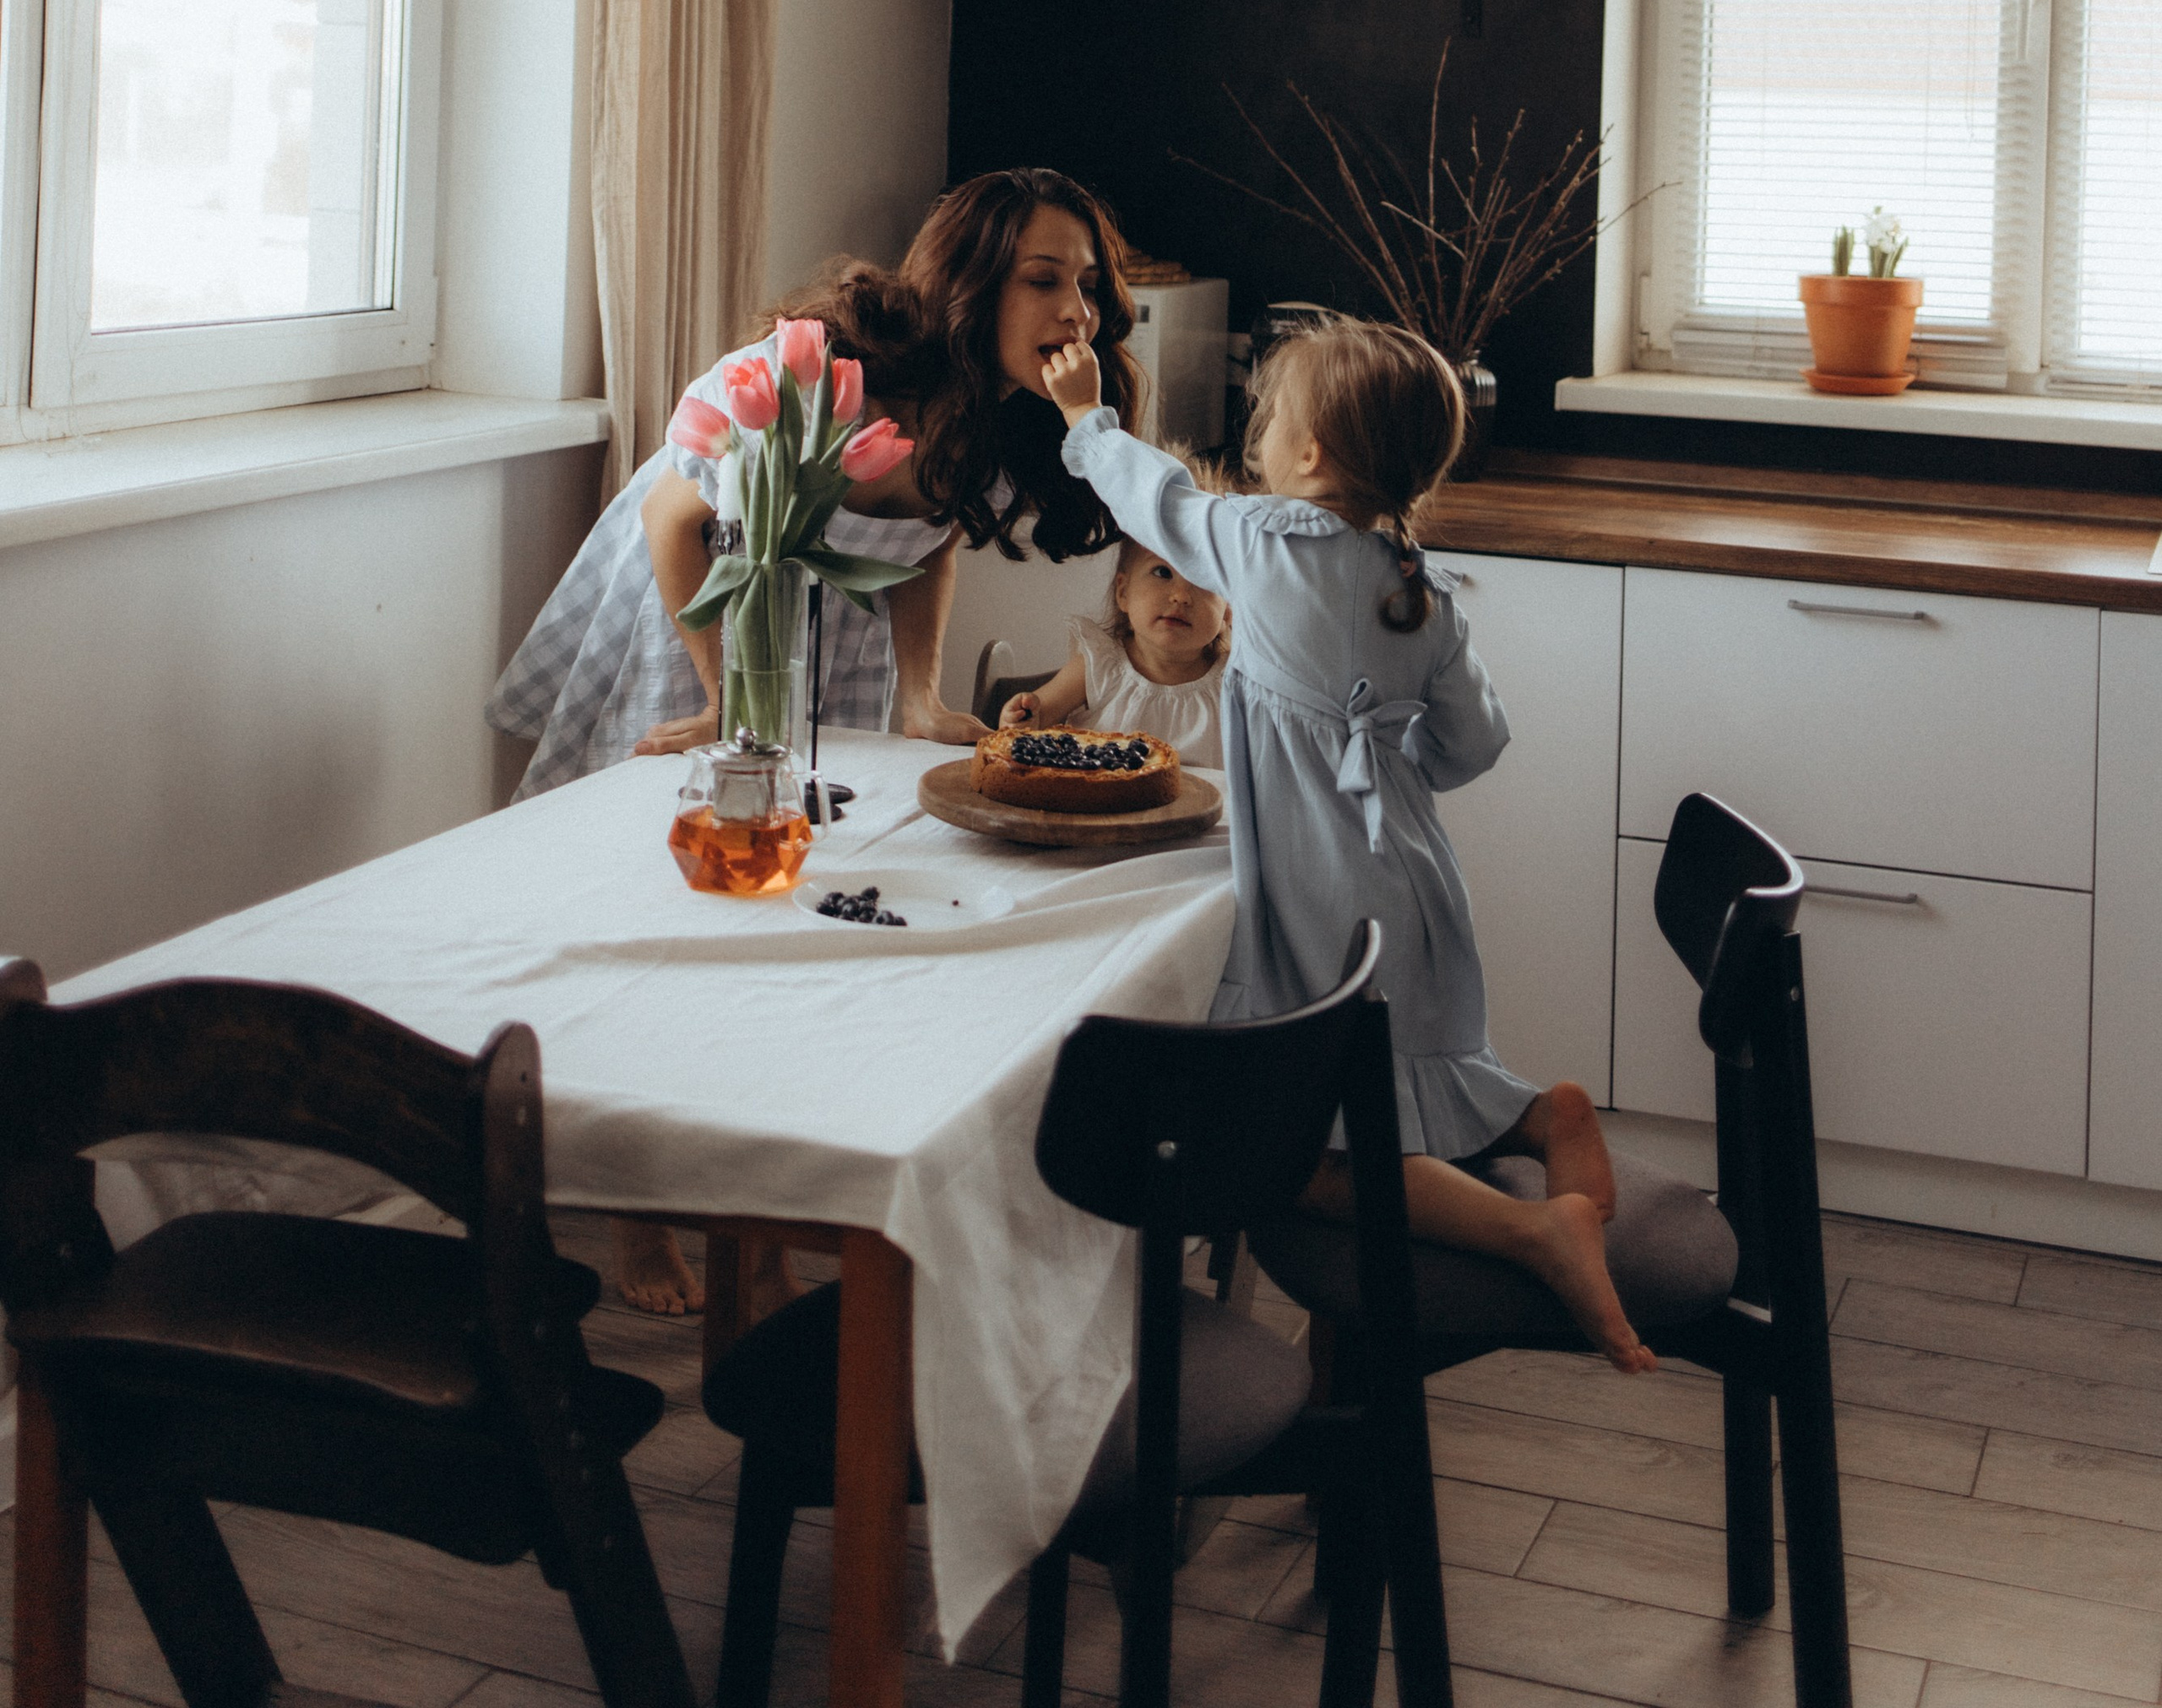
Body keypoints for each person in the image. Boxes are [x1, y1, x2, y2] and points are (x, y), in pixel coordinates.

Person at [486, 166, 1144, 1309]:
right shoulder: (823, 370)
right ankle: (641, 1219)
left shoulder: (1000, 404)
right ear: (972, 280)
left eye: (1087, 285)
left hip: (824, 643)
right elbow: (675, 519)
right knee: (679, 924)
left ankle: (762, 1206)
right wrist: (726, 705)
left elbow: (935, 533)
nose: (1076, 310)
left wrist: (920, 695)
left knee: (792, 918)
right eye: (1044, 279)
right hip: (705, 612)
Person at [1042, 315, 1653, 1372]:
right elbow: (1477, 741)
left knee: (1298, 1146)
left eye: (1268, 422)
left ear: (1311, 455)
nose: (1258, 443)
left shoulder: (1267, 544)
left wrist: (1081, 414)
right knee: (1397, 1088)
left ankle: (1531, 1231)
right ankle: (1534, 1118)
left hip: (1324, 896)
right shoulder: (1421, 588)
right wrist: (1384, 753)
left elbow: (1157, 498)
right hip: (1411, 875)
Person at [1002, 464, 1230, 766]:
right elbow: (1039, 715)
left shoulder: (1235, 681)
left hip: (1201, 812)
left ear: (1228, 609)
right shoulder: (1101, 665)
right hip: (1102, 807)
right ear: (1123, 592)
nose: (1181, 596)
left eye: (1203, 580)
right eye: (1162, 572)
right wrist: (1022, 718)